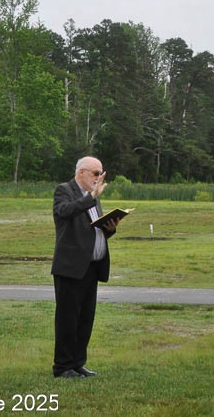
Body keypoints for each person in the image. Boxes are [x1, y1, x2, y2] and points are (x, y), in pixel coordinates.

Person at [51, 156, 121, 378]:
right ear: (81, 172)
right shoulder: (64, 191)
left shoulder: (93, 197)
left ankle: (77, 363)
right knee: (68, 319)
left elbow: (93, 230)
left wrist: (110, 227)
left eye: (101, 174)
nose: (99, 177)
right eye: (95, 173)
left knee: (85, 319)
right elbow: (66, 211)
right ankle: (62, 366)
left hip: (91, 267)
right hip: (71, 268)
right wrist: (91, 197)